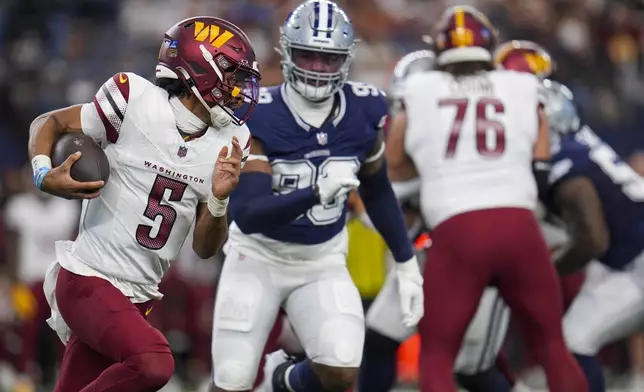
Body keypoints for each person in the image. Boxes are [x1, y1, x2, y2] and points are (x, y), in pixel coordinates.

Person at [28, 16, 260, 392]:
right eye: (231, 76)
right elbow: (51, 123)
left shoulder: (233, 140)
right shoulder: (133, 99)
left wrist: (219, 199)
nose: (238, 89)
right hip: (88, 277)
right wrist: (42, 172)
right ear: (199, 68)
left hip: (138, 296)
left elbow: (204, 248)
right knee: (153, 362)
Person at [209, 1, 424, 391]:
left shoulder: (365, 109)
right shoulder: (259, 112)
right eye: (308, 55)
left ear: (346, 59)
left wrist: (406, 262)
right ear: (288, 52)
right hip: (257, 256)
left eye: (329, 59)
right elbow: (248, 213)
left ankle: (282, 381)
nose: (318, 68)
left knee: (341, 369)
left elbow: (376, 191)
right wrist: (314, 193)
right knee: (232, 381)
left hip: (321, 260)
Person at [387, 6, 588, 392]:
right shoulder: (520, 85)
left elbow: (394, 161)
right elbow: (540, 154)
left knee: (438, 355)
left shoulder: (420, 89)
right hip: (519, 223)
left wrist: (435, 167)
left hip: (458, 226)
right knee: (552, 347)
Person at [361, 48, 514, 392]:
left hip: (480, 263)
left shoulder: (468, 149)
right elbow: (407, 204)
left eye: (411, 108)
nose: (404, 117)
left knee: (472, 369)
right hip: (433, 256)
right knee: (380, 338)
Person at [538, 78, 644, 392]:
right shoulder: (582, 142)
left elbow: (594, 239)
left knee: (573, 341)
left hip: (637, 261)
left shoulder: (565, 163)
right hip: (630, 260)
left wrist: (546, 272)